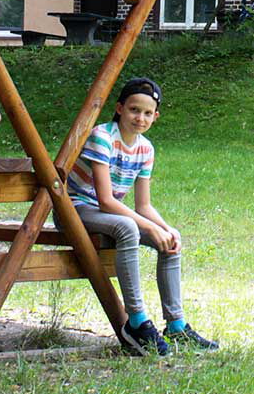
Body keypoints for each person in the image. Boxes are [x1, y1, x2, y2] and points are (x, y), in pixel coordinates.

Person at [68, 77, 217, 356]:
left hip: (107, 212)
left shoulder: (145, 149)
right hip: (77, 209)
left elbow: (144, 206)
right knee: (127, 227)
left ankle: (176, 325)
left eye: (148, 113)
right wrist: (149, 227)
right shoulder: (102, 136)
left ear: (156, 116)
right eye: (135, 110)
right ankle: (136, 322)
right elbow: (106, 200)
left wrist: (166, 228)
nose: (140, 118)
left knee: (171, 238)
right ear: (120, 108)